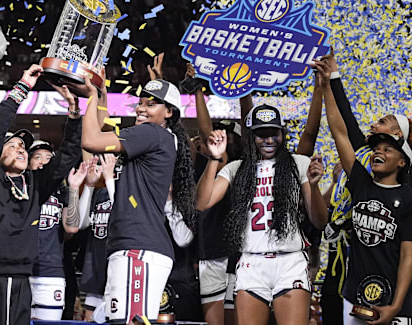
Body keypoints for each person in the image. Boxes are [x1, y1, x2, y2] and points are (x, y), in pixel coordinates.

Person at [0, 64, 82, 325]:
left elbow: (68, 155)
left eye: (24, 147)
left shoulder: (36, 185)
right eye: (13, 145)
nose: (21, 149)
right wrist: (22, 87)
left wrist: (73, 112)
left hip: (22, 281)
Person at [196, 104, 328, 325]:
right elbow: (202, 203)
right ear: (251, 136)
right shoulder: (236, 168)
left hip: (290, 262)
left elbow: (320, 221)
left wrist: (314, 187)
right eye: (261, 134)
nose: (268, 140)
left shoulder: (299, 164)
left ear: (282, 134)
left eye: (273, 134)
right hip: (251, 261)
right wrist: (214, 159)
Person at [81, 76, 197, 324]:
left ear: (169, 112)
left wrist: (92, 96)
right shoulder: (156, 139)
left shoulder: (152, 133)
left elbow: (91, 140)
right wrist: (101, 93)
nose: (142, 108)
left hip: (140, 249)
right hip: (135, 247)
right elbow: (99, 136)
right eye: (141, 102)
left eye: (152, 104)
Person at [318, 58, 412, 324]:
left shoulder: (408, 195)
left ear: (403, 157)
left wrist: (396, 306)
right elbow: (340, 129)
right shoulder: (360, 178)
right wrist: (326, 84)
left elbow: (408, 255)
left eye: (387, 147)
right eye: (376, 148)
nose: (378, 151)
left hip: (396, 299)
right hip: (355, 289)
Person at [28, 137, 84, 320]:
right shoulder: (18, 187)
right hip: (20, 270)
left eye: (48, 157)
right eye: (38, 157)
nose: (44, 161)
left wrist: (74, 188)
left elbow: (72, 228)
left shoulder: (62, 191)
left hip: (50, 272)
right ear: (28, 162)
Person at [78, 153, 117, 322]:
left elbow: (123, 215)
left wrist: (110, 180)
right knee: (90, 319)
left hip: (117, 275)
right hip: (96, 272)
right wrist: (89, 185)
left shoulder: (128, 191)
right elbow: (80, 224)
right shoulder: (99, 194)